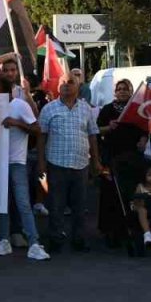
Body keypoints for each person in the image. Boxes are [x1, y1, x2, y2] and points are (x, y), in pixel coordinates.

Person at [37, 77, 102, 253]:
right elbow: (41, 137)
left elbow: (93, 135)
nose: (66, 84)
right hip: (56, 164)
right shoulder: (48, 109)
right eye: (63, 82)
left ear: (78, 86)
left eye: (71, 81)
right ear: (58, 86)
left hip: (81, 164)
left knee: (80, 206)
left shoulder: (86, 108)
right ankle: (56, 239)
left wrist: (96, 161)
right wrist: (41, 163)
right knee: (56, 206)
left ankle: (79, 239)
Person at [0, 76, 48, 260]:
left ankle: (34, 242)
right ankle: (4, 241)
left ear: (9, 91)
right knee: (2, 204)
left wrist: (17, 123)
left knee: (23, 203)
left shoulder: (19, 105)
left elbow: (37, 129)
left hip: (17, 162)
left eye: (1, 89)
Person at [97, 79, 145, 247]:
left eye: (126, 89)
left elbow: (144, 128)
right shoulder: (107, 109)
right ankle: (110, 232)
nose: (122, 91)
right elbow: (96, 130)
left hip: (132, 159)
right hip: (111, 158)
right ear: (115, 92)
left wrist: (144, 139)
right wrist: (108, 127)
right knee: (111, 195)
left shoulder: (136, 109)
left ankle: (131, 229)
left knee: (130, 195)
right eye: (119, 89)